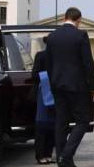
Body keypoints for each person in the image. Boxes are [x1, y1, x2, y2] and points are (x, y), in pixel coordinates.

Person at [45, 7, 94, 167]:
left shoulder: (52, 37)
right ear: (78, 20)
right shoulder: (80, 35)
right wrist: (93, 87)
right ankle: (66, 155)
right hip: (77, 86)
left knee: (61, 122)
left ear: (65, 18)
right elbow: (88, 63)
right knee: (83, 120)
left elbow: (49, 63)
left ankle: (62, 159)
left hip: (57, 85)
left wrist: (53, 81)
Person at [32, 37, 55, 165]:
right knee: (42, 125)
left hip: (55, 94)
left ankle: (47, 154)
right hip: (43, 92)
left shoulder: (58, 57)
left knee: (52, 125)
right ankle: (41, 155)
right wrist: (48, 79)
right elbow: (34, 75)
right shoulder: (40, 56)